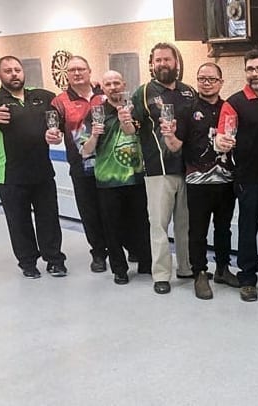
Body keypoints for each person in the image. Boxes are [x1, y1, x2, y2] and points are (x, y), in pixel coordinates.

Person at [0, 56, 67, 278]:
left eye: (17, 69)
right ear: (0, 75)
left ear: (23, 72)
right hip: (9, 174)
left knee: (49, 217)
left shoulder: (43, 96)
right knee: (19, 221)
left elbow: (60, 120)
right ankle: (27, 263)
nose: (14, 74)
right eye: (8, 71)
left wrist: (57, 135)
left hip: (42, 170)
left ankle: (55, 260)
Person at [215, 48, 258, 302]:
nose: (256, 73)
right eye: (251, 69)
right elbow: (223, 135)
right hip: (248, 179)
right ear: (245, 71)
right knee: (248, 230)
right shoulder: (234, 103)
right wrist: (221, 141)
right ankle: (248, 279)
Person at [132, 42, 195, 294]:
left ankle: (187, 267)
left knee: (185, 223)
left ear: (176, 62)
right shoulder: (143, 92)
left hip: (189, 168)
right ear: (152, 64)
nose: (162, 64)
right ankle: (161, 275)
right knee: (159, 224)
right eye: (158, 60)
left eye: (166, 60)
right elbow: (132, 127)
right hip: (158, 168)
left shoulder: (189, 92)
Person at [79, 70, 151, 285]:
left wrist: (127, 121)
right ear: (103, 87)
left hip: (136, 178)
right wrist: (94, 135)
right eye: (108, 84)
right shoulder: (96, 113)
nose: (113, 87)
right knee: (112, 227)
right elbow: (85, 151)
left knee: (141, 223)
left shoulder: (135, 109)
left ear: (124, 84)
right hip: (107, 181)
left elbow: (135, 133)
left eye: (116, 83)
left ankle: (146, 262)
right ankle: (119, 269)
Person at [181, 62, 238, 300]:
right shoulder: (187, 110)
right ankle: (200, 272)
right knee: (198, 231)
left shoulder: (230, 109)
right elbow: (183, 146)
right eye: (202, 78)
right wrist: (210, 145)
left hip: (226, 179)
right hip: (198, 180)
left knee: (223, 228)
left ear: (220, 82)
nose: (207, 83)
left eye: (212, 79)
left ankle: (223, 268)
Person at [50, 55, 108, 273]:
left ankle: (123, 246)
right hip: (81, 168)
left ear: (90, 71)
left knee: (115, 210)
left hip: (110, 166)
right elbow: (52, 128)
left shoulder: (104, 96)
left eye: (81, 69)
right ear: (68, 74)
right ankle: (99, 254)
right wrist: (51, 135)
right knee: (90, 213)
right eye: (72, 69)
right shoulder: (59, 101)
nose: (77, 73)